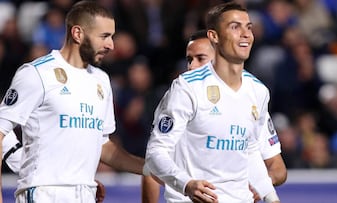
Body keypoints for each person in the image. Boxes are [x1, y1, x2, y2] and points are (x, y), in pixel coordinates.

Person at [0, 1, 145, 202]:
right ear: (77, 34)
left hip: (85, 194)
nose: (111, 45)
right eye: (104, 36)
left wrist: (149, 168)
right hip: (45, 194)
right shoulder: (37, 74)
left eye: (112, 36)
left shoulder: (101, 80)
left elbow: (103, 145)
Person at [145, 2, 283, 203]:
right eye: (235, 27)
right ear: (214, 36)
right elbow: (156, 153)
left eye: (249, 27)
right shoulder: (187, 87)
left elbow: (250, 150)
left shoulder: (258, 91)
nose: (246, 34)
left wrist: (271, 197)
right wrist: (186, 184)